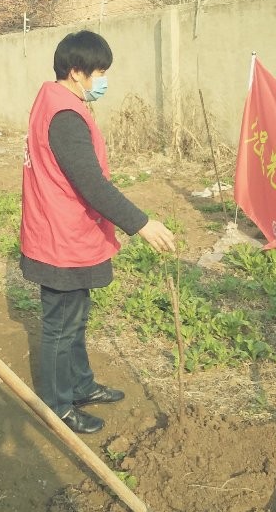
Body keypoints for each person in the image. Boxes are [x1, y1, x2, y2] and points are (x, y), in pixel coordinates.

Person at [19, 30, 175, 434]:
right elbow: (92, 184)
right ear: (76, 72)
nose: (104, 80)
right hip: (60, 239)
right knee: (59, 326)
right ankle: (59, 407)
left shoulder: (55, 101)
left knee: (76, 318)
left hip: (69, 233)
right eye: (99, 72)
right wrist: (141, 223)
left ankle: (81, 385)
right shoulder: (65, 117)